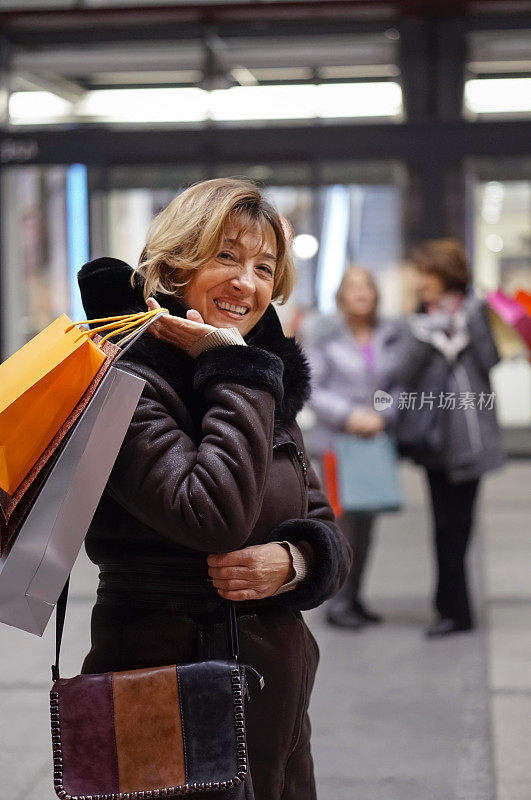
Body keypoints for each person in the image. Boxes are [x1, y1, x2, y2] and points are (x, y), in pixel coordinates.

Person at [77, 178, 351, 800]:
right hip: (161, 693)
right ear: (176, 264)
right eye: (225, 256)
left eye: (263, 267)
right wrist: (237, 369)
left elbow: (326, 527)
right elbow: (211, 515)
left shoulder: (259, 382)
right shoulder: (126, 383)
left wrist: (296, 558)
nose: (246, 284)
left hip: (272, 708)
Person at [395, 239, 505, 637]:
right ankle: (451, 609)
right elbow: (402, 370)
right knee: (443, 528)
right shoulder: (418, 320)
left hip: (471, 440)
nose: (423, 282)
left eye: (429, 274)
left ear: (445, 276)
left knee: (459, 529)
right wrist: (427, 335)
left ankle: (456, 612)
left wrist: (472, 323)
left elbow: (491, 359)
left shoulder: (476, 312)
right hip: (435, 441)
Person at [305, 266, 401, 630]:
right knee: (343, 525)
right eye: (352, 287)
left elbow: (398, 385)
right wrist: (350, 416)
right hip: (338, 446)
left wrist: (383, 416)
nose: (361, 292)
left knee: (367, 522)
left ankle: (356, 597)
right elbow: (313, 388)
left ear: (376, 294)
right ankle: (338, 603)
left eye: (367, 285)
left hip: (374, 443)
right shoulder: (326, 337)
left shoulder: (388, 335)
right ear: (341, 296)